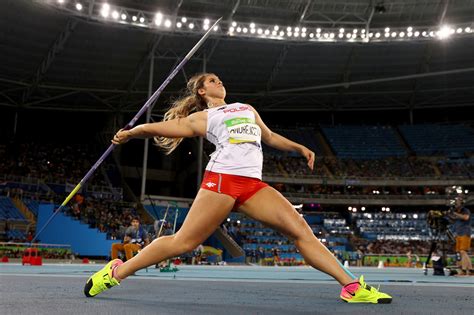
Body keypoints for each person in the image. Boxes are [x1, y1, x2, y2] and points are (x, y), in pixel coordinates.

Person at [84, 73, 392, 303]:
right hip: (221, 181)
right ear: (202, 91)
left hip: (252, 185)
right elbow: (168, 128)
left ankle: (351, 286)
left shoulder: (246, 108)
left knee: (300, 229)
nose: (219, 81)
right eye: (212, 80)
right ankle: (116, 273)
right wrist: (133, 132)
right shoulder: (205, 116)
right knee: (182, 243)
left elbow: (269, 137)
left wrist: (299, 148)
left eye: (219, 79)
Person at [450, 197, 472, 275]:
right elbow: (453, 219)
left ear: (461, 203)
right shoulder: (457, 211)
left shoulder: (465, 210)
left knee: (463, 251)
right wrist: (449, 214)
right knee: (460, 252)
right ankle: (470, 270)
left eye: (457, 201)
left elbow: (466, 217)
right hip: (458, 233)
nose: (456, 203)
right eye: (455, 201)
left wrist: (455, 213)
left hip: (465, 232)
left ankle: (464, 270)